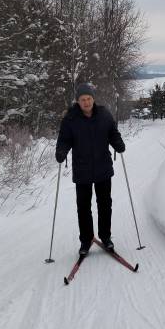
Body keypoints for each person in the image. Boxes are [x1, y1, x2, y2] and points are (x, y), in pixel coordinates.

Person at [55, 83, 125, 256]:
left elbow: (112, 133)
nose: (86, 102)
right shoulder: (70, 119)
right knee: (83, 207)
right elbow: (64, 139)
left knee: (104, 204)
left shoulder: (104, 115)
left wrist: (118, 143)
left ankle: (105, 237)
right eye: (82, 100)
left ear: (93, 99)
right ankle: (86, 240)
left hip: (103, 167)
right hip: (82, 169)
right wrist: (61, 151)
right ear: (77, 101)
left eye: (88, 99)